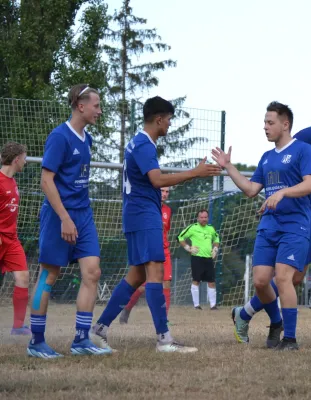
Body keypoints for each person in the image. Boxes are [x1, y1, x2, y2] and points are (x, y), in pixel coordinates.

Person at [90, 96, 221, 354]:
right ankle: (164, 339)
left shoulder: (138, 143)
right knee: (155, 275)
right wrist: (194, 172)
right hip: (144, 214)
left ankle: (98, 330)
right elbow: (157, 180)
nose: (170, 125)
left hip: (137, 214)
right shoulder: (144, 145)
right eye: (169, 120)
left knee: (136, 275)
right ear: (159, 119)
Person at [231, 98, 311, 346]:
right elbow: (287, 163)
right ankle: (246, 312)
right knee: (292, 277)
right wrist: (276, 194)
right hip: (304, 214)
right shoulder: (307, 137)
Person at [212, 101, 311, 351]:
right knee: (260, 282)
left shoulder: (303, 150)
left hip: (295, 225)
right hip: (269, 226)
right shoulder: (267, 157)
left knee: (283, 278)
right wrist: (228, 167)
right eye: (264, 123)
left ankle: (290, 339)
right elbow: (250, 190)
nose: (265, 127)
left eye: (270, 123)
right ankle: (277, 322)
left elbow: (310, 185)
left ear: (285, 124)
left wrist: (282, 193)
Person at [27, 84, 109, 358]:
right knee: (49, 274)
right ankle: (36, 342)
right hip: (58, 214)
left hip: (83, 213)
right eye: (96, 105)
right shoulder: (59, 137)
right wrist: (63, 218)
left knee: (92, 272)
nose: (99, 110)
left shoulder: (87, 139)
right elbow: (46, 180)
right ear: (80, 105)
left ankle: (81, 340)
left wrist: (77, 216)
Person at [119, 187, 173, 324]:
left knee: (166, 283)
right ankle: (127, 308)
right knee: (142, 285)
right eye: (162, 191)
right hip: (149, 249)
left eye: (167, 192)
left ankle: (163, 320)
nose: (165, 194)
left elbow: (166, 230)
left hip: (164, 250)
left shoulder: (168, 210)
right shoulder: (147, 207)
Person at [0, 142, 31, 336]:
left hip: (11, 240)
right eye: (25, 158)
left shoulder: (13, 182)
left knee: (23, 277)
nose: (26, 162)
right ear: (16, 159)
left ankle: (18, 327)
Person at [177, 209, 220, 310]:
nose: (204, 219)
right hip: (197, 258)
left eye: (205, 217)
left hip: (209, 258)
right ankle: (196, 305)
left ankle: (213, 305)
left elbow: (217, 239)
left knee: (211, 281)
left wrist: (215, 249)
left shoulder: (211, 229)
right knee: (196, 280)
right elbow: (180, 237)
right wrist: (188, 248)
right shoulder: (192, 227)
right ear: (198, 218)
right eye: (202, 217)